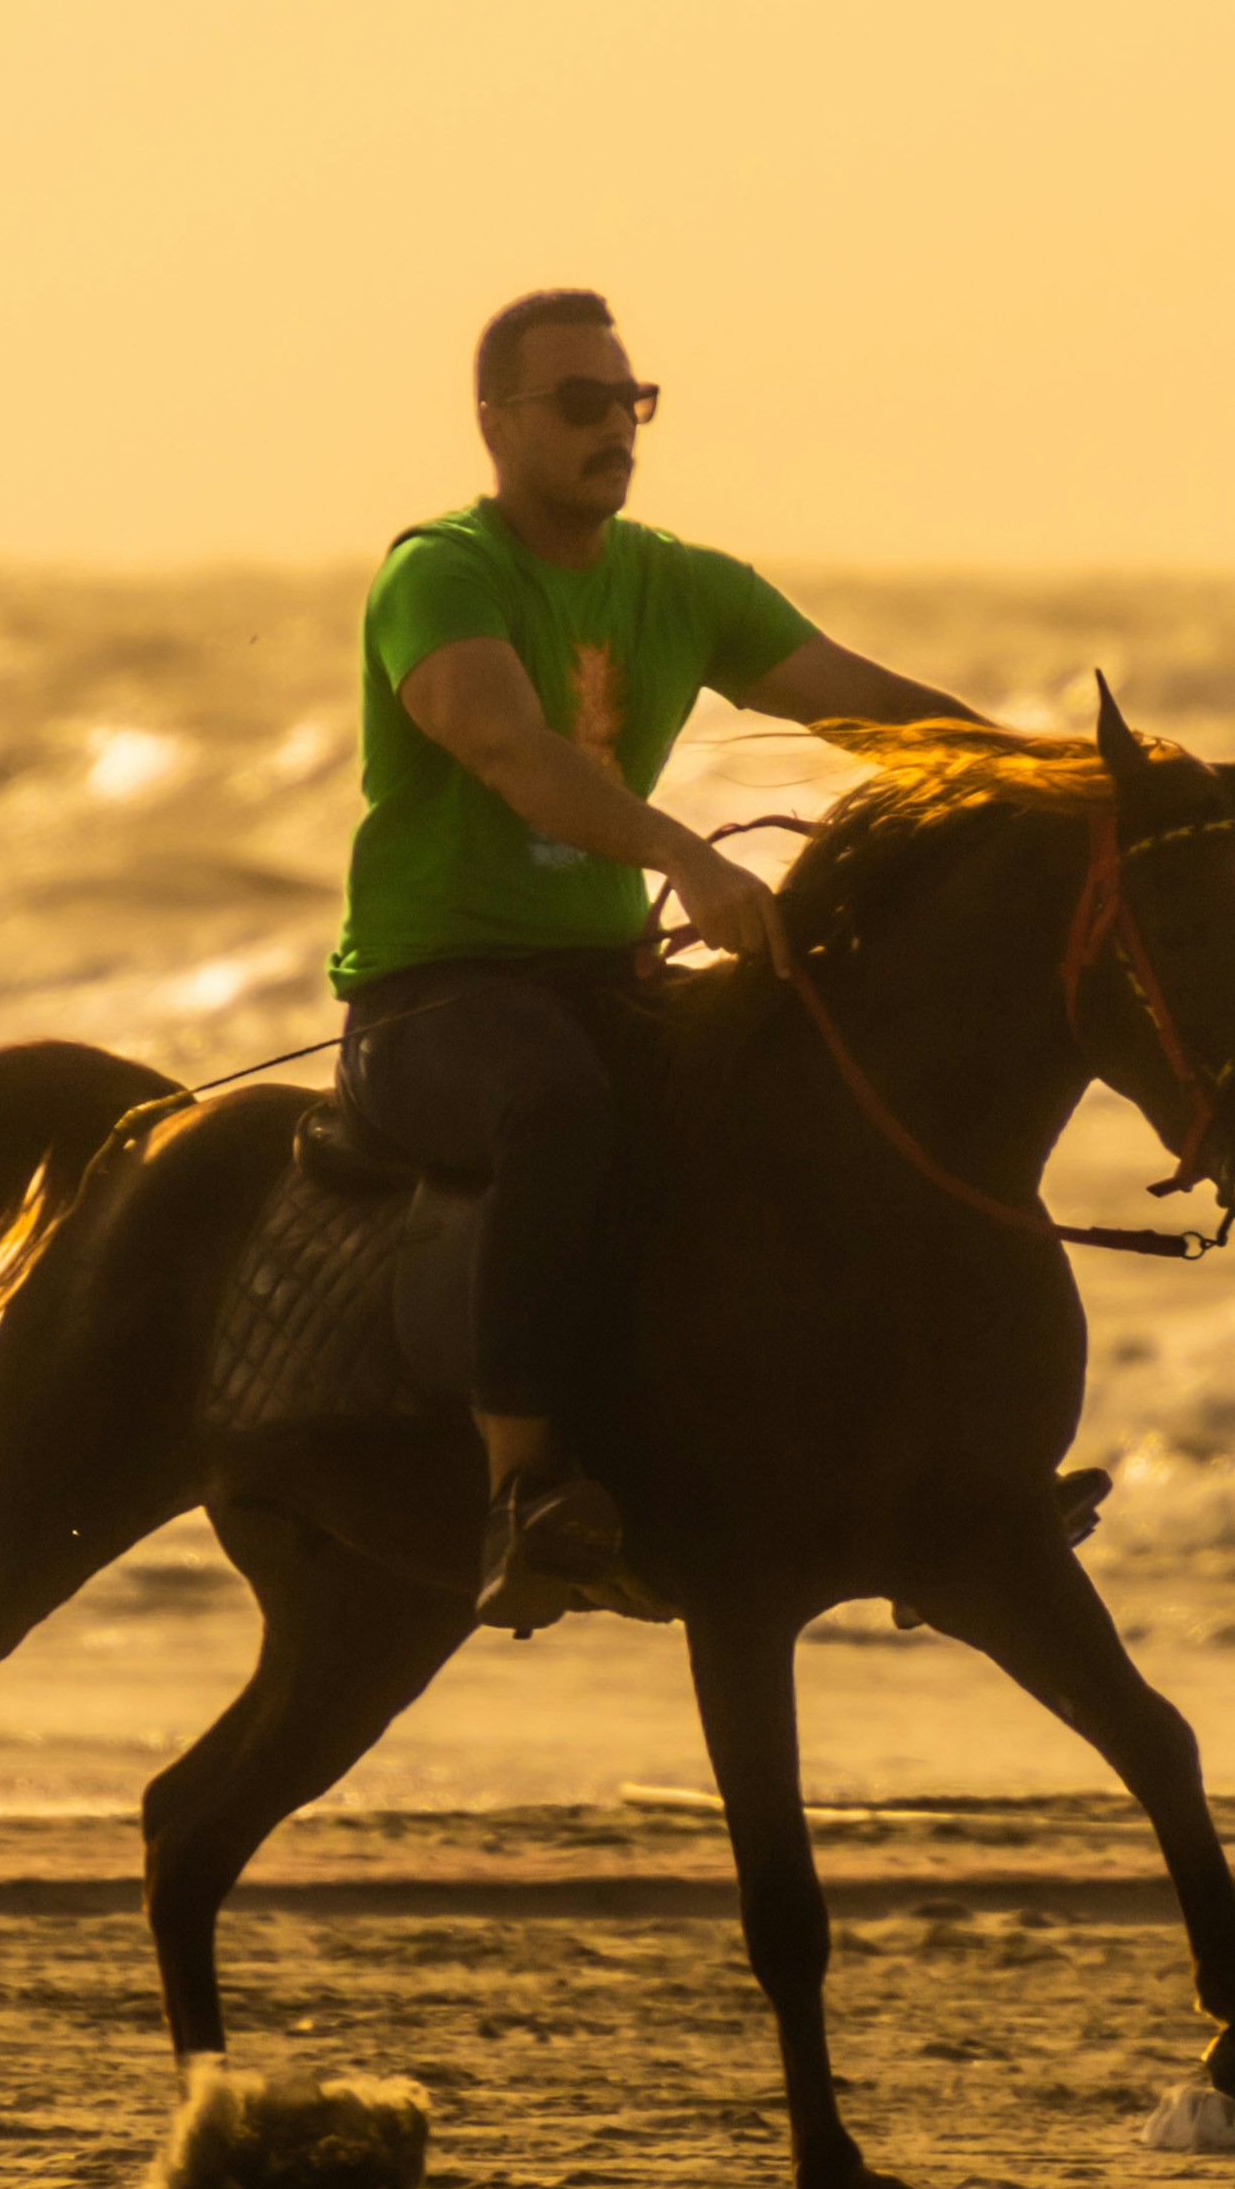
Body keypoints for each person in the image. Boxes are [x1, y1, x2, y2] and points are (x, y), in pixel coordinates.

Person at [328, 287, 985, 1634]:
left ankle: (928, 1462)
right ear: (497, 422)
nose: (615, 428)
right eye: (579, 402)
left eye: (631, 402)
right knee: (551, 1103)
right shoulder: (441, 571)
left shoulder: (684, 582)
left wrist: (1061, 780)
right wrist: (689, 857)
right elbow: (514, 754)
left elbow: (869, 704)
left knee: (808, 1080)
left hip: (597, 985)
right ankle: (520, 1494)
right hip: (430, 1002)